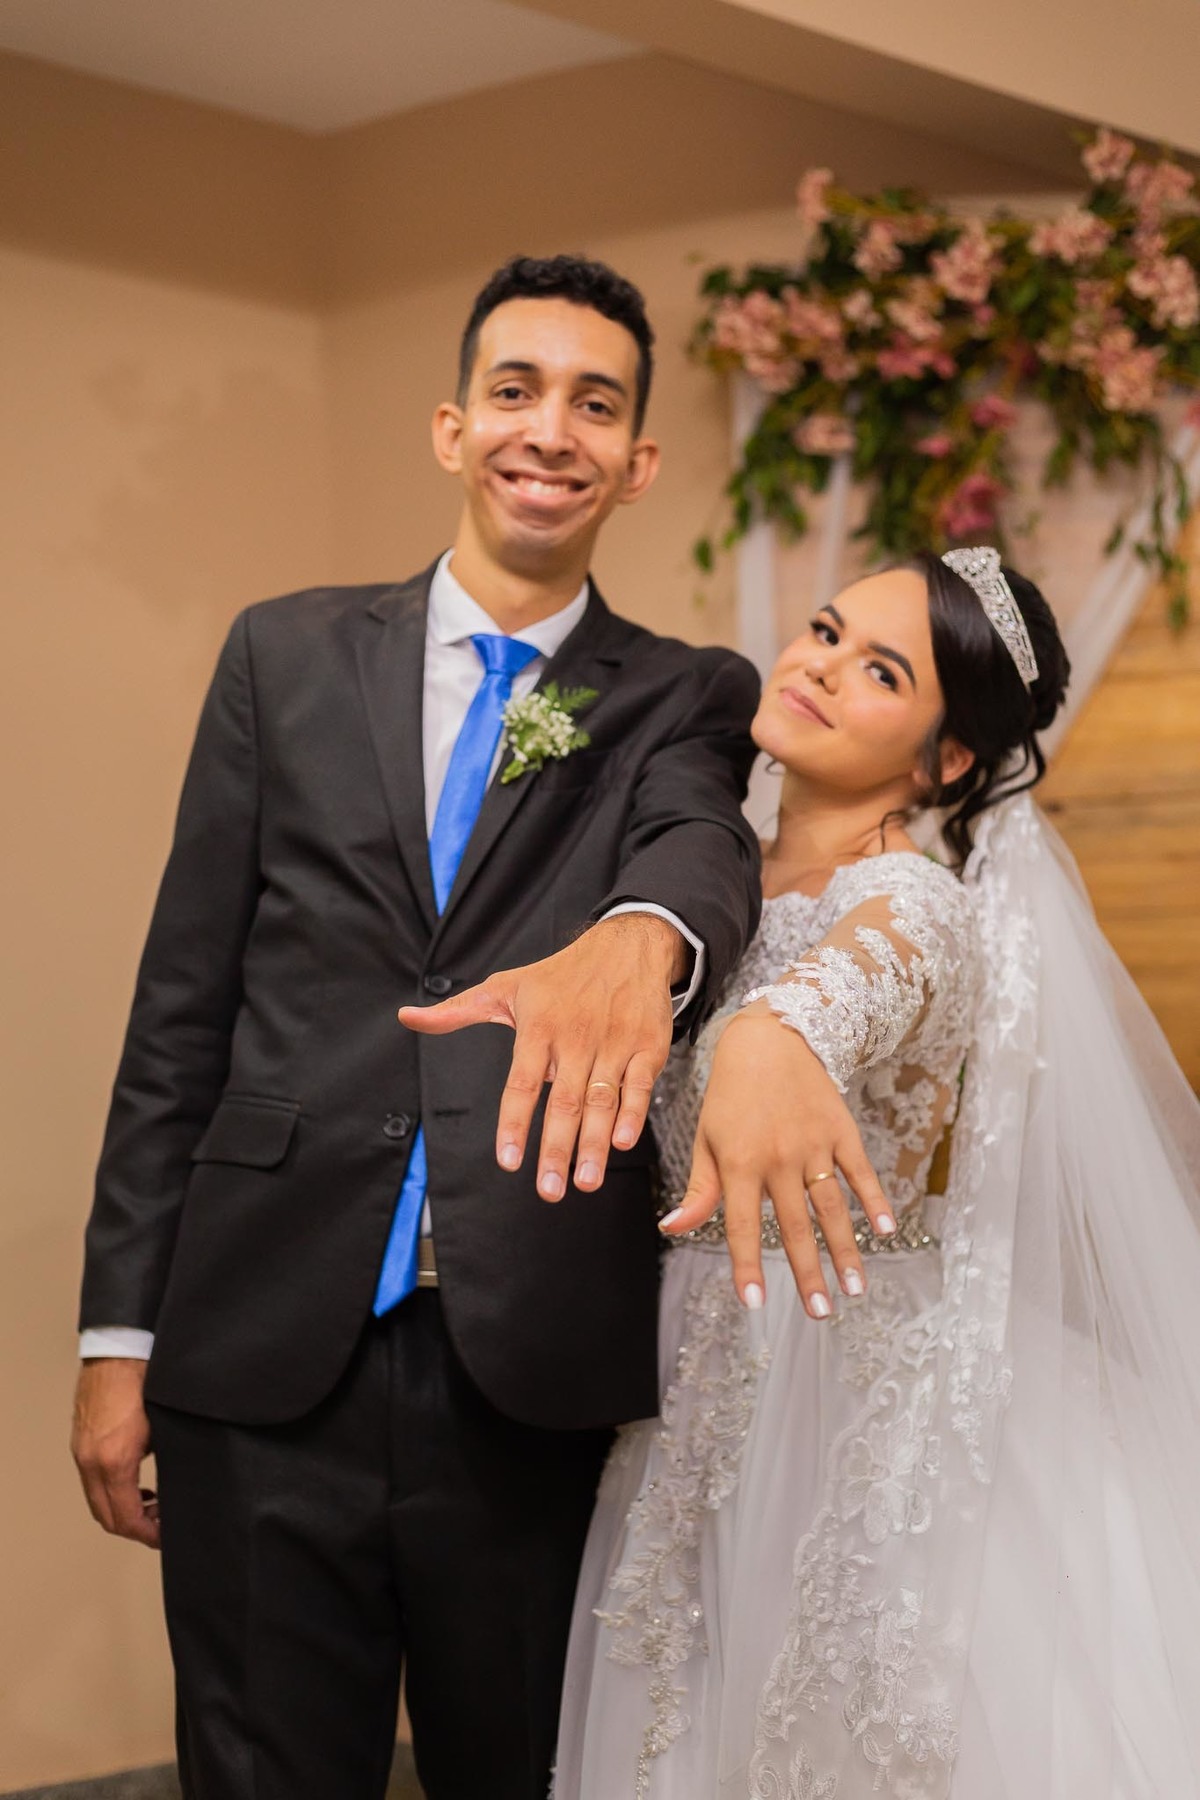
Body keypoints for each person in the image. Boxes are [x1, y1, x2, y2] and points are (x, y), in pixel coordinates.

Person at [70, 253, 764, 1800]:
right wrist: (120, 1338)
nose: (551, 431)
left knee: (516, 1768)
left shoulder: (679, 694)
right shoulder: (283, 654)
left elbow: (700, 851)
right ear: (453, 427)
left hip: (521, 1361)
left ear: (638, 461)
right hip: (258, 1341)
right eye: (516, 392)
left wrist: (645, 941)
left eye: (596, 404)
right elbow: (180, 1008)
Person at [554, 547, 1200, 1797]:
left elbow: (841, 993)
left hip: (830, 1386)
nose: (820, 668)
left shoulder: (921, 906)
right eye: (826, 631)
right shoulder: (703, 871)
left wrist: (769, 1031)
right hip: (680, 1366)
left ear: (945, 760)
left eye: (882, 670)